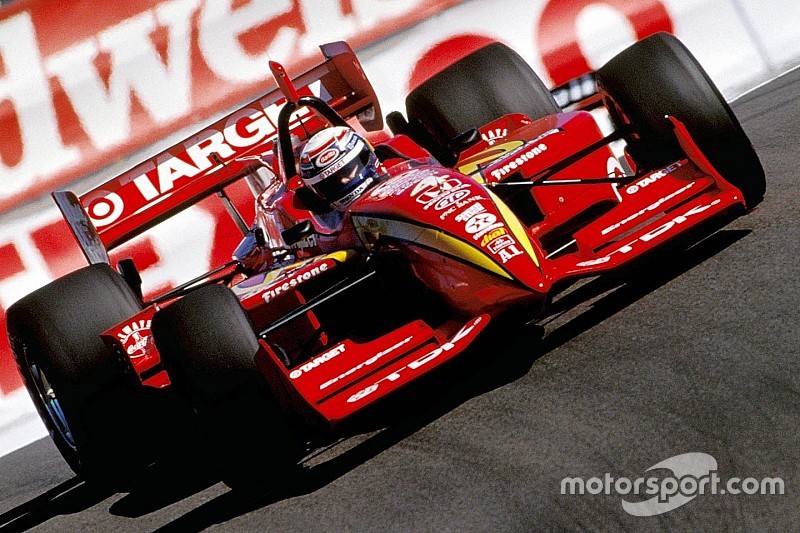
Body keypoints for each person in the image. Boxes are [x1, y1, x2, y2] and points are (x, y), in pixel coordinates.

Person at [298, 126, 380, 213]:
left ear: (364, 157)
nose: (343, 180)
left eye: (347, 170)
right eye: (331, 181)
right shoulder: (332, 223)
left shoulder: (394, 169)